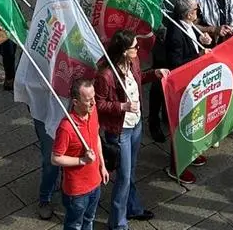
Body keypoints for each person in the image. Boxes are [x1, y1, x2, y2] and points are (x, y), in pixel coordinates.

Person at [94, 30, 162, 230]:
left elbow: (139, 78)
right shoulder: (106, 75)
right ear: (124, 51)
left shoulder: (133, 63)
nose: (138, 49)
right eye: (134, 47)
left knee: (130, 172)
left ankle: (132, 207)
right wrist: (122, 107)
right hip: (120, 130)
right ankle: (117, 223)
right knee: (123, 177)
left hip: (136, 124)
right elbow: (99, 104)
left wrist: (154, 74)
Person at [51, 77, 110, 230]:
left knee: (89, 220)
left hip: (95, 182)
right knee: (74, 225)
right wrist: (82, 161)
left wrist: (102, 165)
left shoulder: (93, 111)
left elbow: (96, 137)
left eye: (94, 97)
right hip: (77, 191)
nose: (93, 103)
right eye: (88, 100)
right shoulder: (66, 128)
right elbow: (55, 158)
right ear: (76, 102)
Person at [163, 0, 210, 182]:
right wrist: (199, 55)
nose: (198, 12)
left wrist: (204, 43)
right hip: (182, 89)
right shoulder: (176, 34)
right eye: (196, 10)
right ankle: (176, 166)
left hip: (194, 85)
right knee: (182, 126)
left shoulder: (189, 26)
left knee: (194, 122)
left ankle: (191, 153)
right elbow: (176, 64)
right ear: (189, 14)